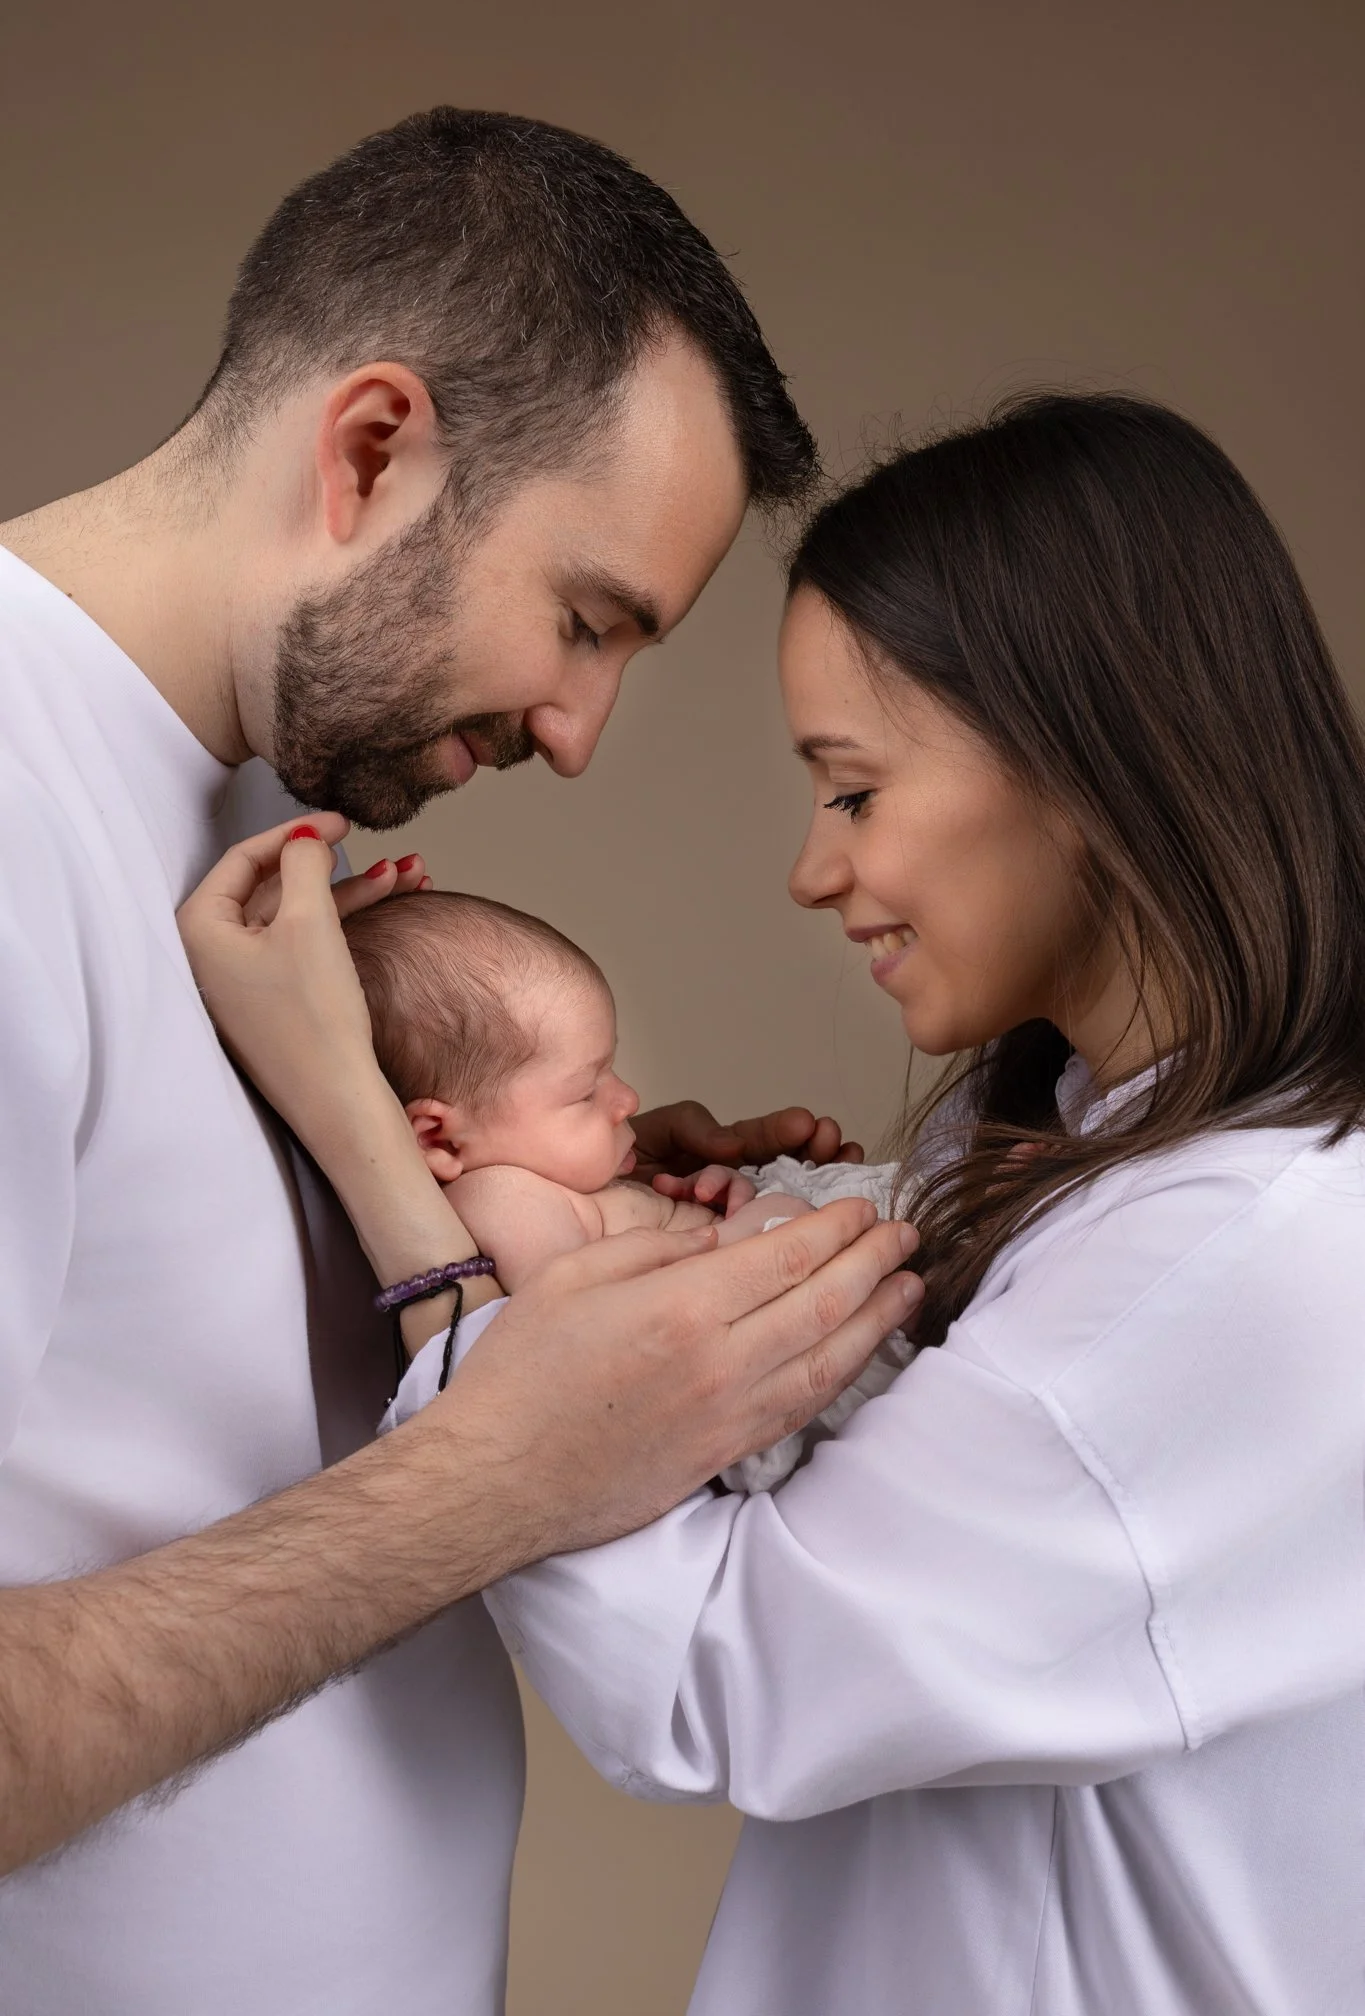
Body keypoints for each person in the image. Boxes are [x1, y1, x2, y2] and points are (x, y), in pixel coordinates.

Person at [202, 392, 1365, 2013]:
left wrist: (405, 1184)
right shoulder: (1080, 1144)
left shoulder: (1242, 1270)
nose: (814, 871)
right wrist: (636, 1199)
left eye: (855, 789)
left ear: (1088, 767)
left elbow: (708, 1674)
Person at [0, 106, 917, 2015]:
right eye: (585, 622)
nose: (580, 733)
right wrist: (500, 1470)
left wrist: (548, 1203)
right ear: (370, 451)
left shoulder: (249, 823)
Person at [342, 886, 913, 1489]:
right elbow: (597, 1337)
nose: (628, 1100)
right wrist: (737, 1231)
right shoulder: (501, 1197)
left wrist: (699, 1199)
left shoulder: (552, 1182)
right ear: (441, 1139)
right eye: (586, 1092)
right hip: (750, 1358)